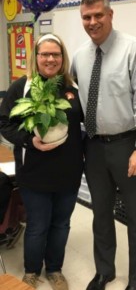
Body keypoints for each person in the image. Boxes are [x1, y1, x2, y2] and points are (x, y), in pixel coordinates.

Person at [71, 0, 136, 290]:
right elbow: (74, 102)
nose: (92, 22)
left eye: (97, 15)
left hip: (128, 145)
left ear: (110, 14)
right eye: (86, 17)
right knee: (101, 214)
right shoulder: (79, 56)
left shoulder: (133, 48)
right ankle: (104, 271)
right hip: (92, 146)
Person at [0, 34, 84, 290]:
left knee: (61, 223)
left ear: (62, 58)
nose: (50, 59)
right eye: (45, 54)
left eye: (55, 54)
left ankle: (55, 269)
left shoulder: (72, 88)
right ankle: (32, 270)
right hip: (34, 172)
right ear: (36, 58)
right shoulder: (22, 87)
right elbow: (4, 123)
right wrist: (28, 140)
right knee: (37, 225)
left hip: (67, 172)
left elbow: (84, 123)